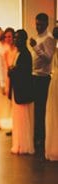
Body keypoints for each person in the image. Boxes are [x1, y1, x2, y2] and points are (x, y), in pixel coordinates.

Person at [30, 13, 55, 157]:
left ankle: (41, 138)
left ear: (46, 24)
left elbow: (48, 58)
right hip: (34, 76)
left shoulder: (49, 38)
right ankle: (37, 136)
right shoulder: (39, 37)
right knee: (36, 110)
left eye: (40, 24)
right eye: (36, 24)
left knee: (41, 110)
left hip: (43, 78)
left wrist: (35, 47)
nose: (38, 26)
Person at [9, 29, 35, 155]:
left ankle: (24, 145)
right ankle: (19, 144)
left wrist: (12, 71)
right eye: (14, 38)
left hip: (23, 90)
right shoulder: (18, 53)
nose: (15, 40)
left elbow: (24, 73)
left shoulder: (25, 54)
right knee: (19, 118)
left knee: (23, 119)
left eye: (18, 38)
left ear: (24, 40)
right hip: (18, 89)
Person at [0, 28, 18, 135]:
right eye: (6, 37)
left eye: (10, 36)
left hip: (17, 79)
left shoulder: (17, 50)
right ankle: (13, 126)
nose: (8, 39)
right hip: (9, 79)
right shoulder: (6, 52)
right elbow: (5, 68)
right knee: (11, 103)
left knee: (16, 103)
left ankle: (17, 126)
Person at [45, 27, 58, 161]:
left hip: (54, 81)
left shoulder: (53, 50)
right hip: (55, 81)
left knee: (54, 113)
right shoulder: (54, 50)